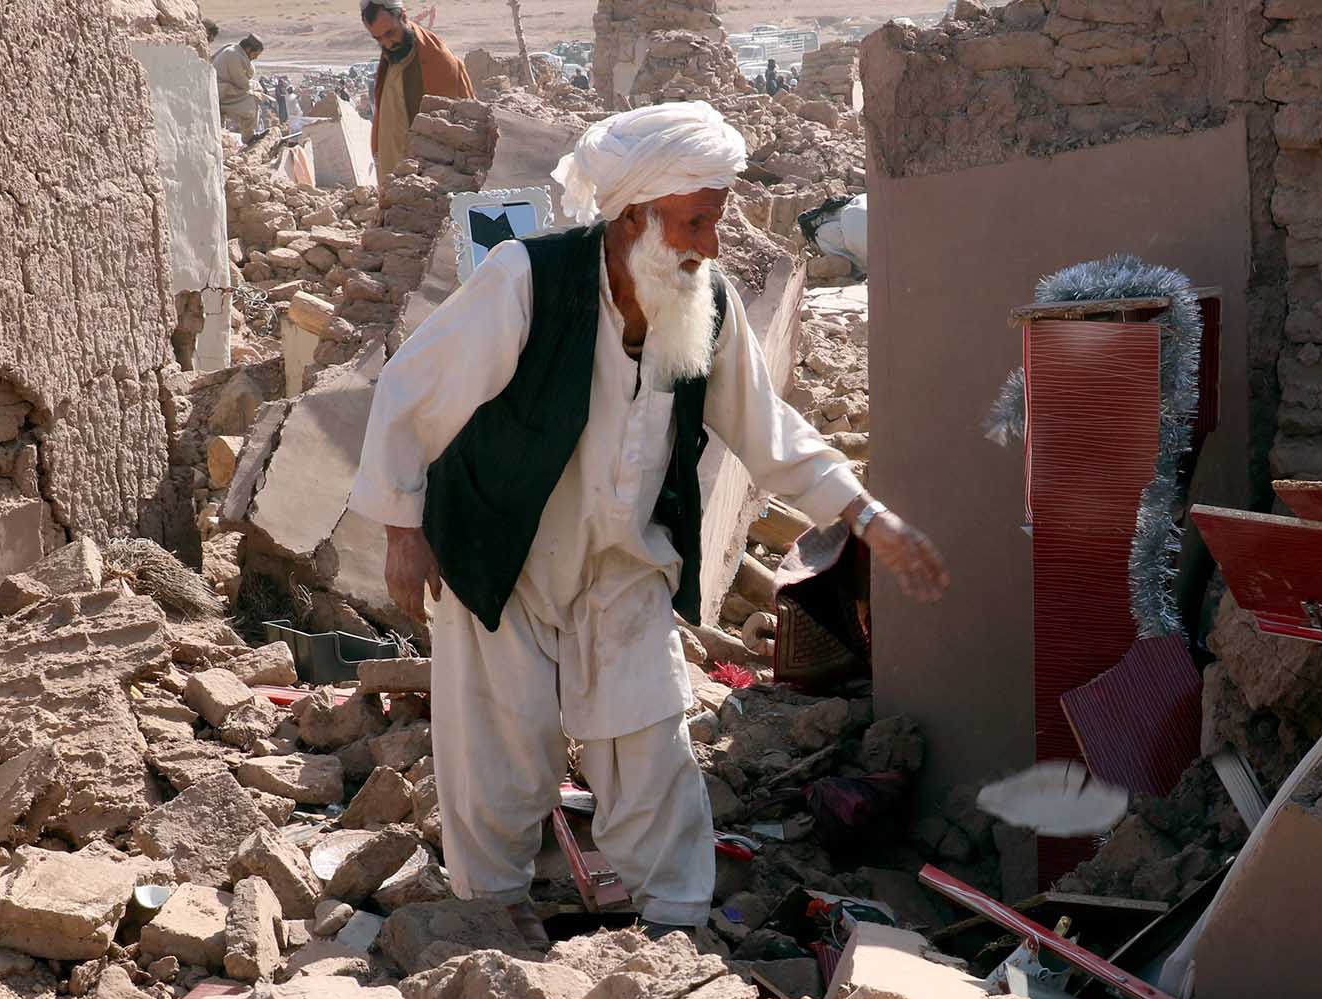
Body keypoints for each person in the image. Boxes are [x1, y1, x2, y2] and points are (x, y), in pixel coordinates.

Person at [350, 102, 950, 945]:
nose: (709, 242)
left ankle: (675, 932)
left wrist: (863, 512)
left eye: (717, 220)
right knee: (501, 753)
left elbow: (764, 427)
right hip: (504, 552)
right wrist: (403, 529)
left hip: (624, 562)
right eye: (696, 220)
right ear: (634, 215)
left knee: (651, 746)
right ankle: (493, 918)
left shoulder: (705, 305)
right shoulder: (528, 279)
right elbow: (411, 390)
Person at [362, 0, 474, 204]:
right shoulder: (390, 60)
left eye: (390, 33)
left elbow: (457, 133)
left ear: (403, 17)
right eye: (378, 39)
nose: (387, 44)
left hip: (430, 186)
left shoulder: (438, 62)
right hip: (394, 181)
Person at [214, 34, 264, 141]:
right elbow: (241, 83)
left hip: (227, 90)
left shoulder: (237, 53)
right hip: (221, 92)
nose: (256, 58)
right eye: (255, 54)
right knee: (253, 99)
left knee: (256, 91)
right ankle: (248, 137)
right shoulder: (233, 55)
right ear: (248, 49)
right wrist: (254, 89)